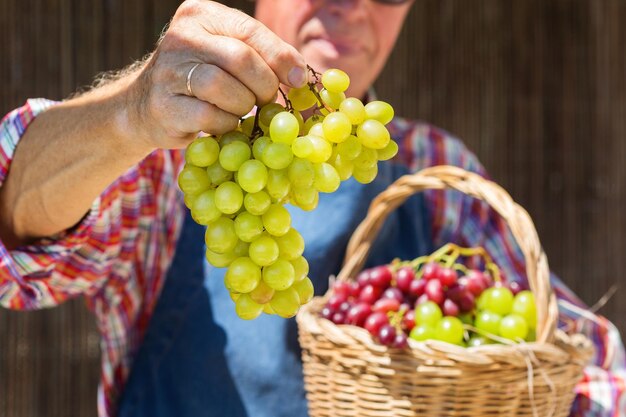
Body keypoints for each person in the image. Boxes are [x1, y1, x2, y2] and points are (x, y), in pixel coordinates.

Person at [0, 0, 624, 416]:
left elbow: (582, 358)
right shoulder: (167, 153)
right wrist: (127, 115)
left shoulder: (433, 165)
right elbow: (16, 252)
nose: (352, 4)